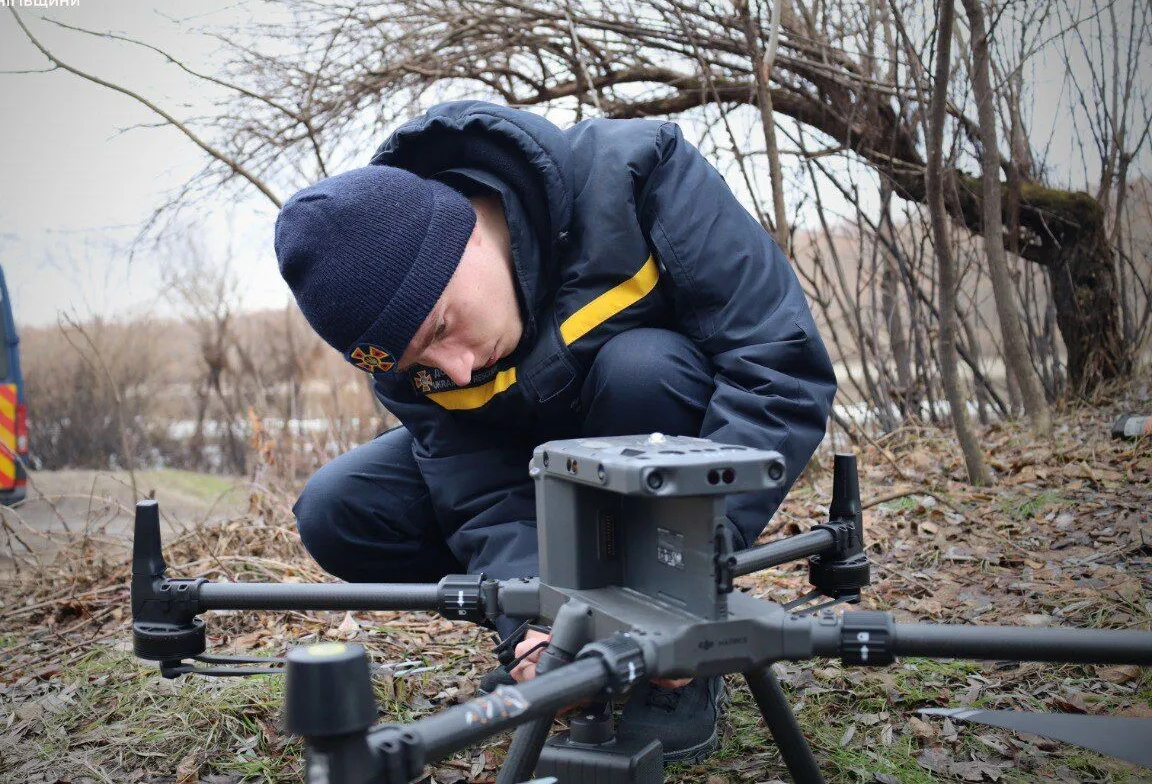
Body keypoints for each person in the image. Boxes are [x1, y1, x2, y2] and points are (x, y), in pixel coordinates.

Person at [274, 100, 837, 763]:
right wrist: (535, 621)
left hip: (663, 431)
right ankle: (566, 630)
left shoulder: (637, 174)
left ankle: (683, 656)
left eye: (443, 329)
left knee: (641, 368)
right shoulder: (406, 349)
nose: (452, 367)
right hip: (534, 471)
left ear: (469, 233)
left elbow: (780, 366)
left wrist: (690, 575)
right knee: (340, 507)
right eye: (419, 362)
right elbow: (475, 482)